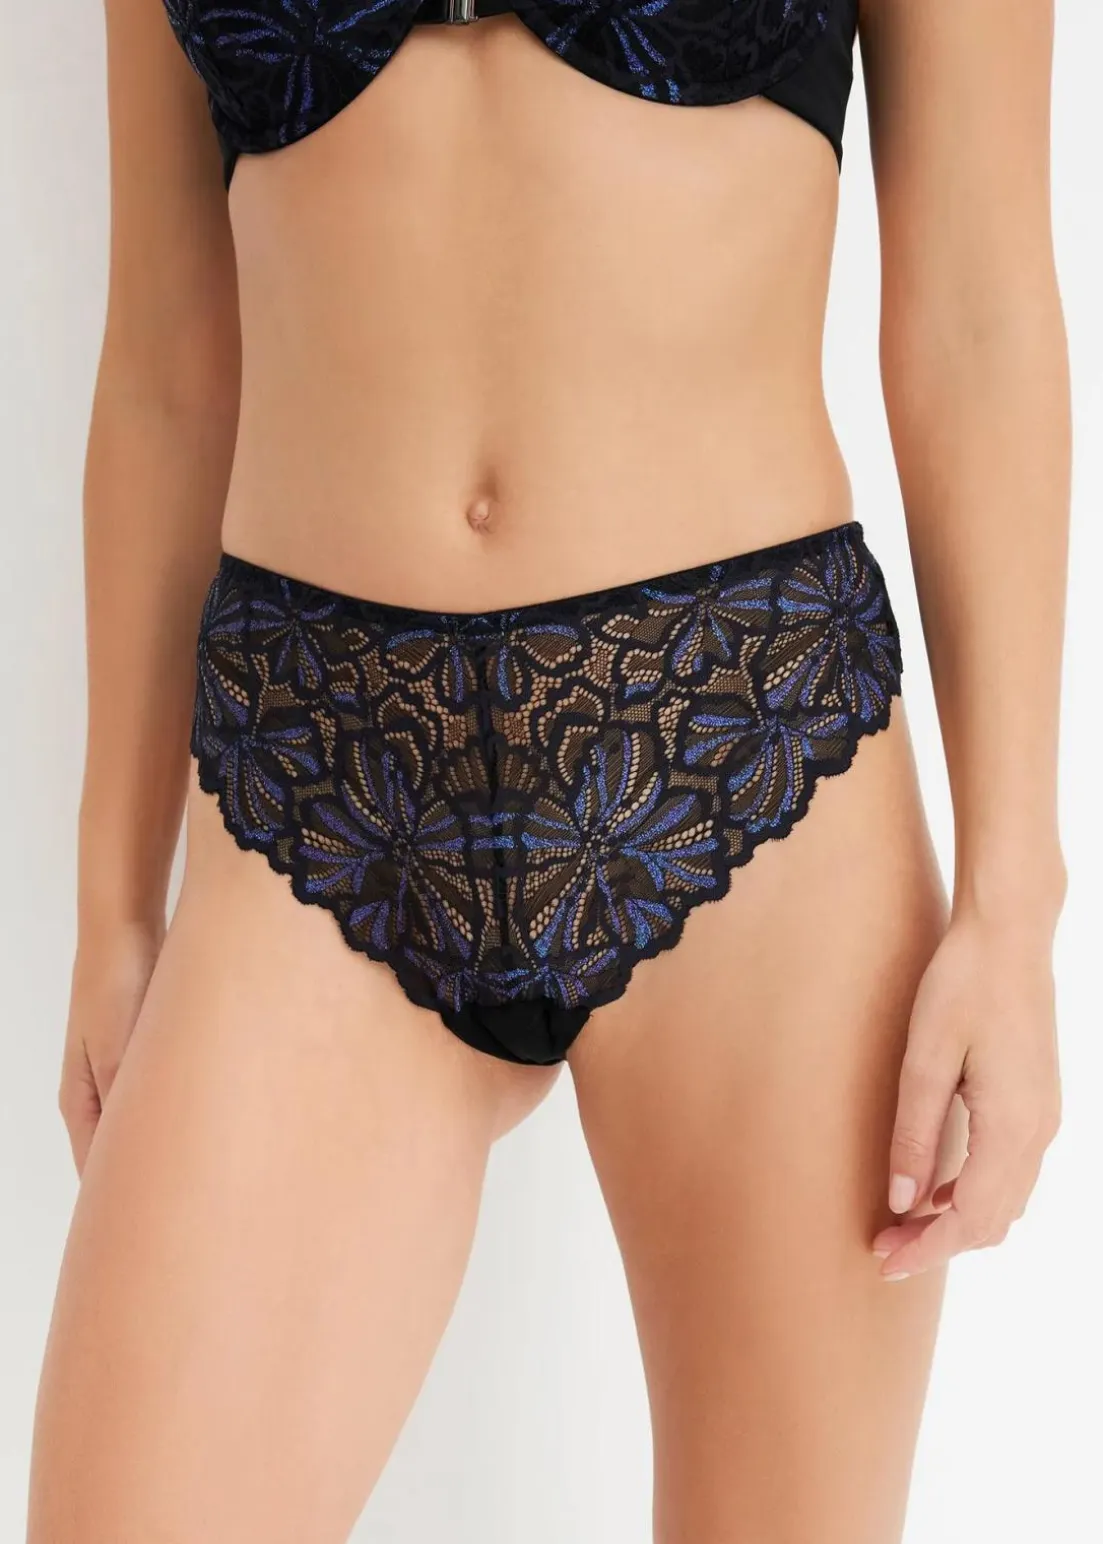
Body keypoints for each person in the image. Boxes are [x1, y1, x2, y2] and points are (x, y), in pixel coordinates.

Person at [27, 2, 1069, 1540]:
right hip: (316, 772)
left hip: (743, 745)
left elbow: (976, 315)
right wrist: (112, 901)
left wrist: (1012, 905)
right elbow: (168, 367)